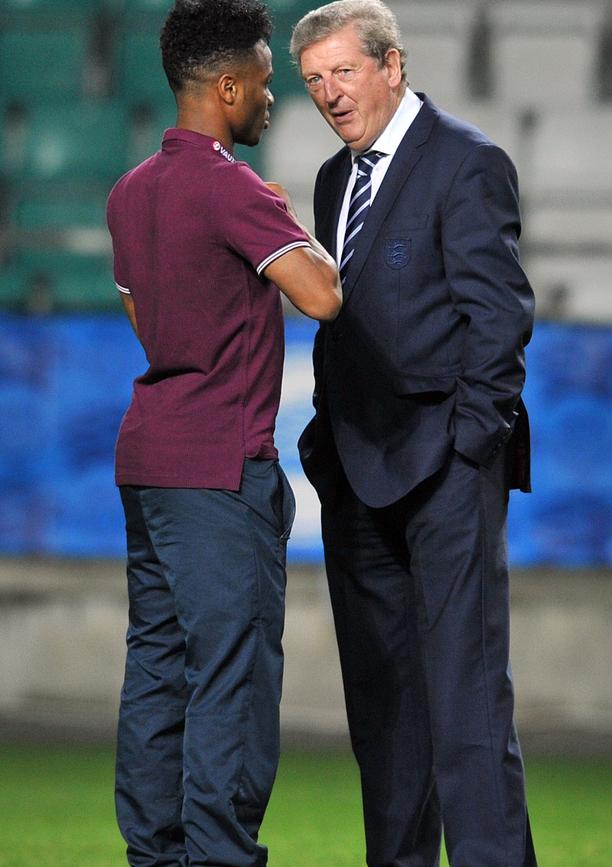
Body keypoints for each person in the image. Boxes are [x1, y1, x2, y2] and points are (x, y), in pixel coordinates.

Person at [290, 2, 537, 865]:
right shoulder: (332, 181)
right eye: (314, 79)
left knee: (466, 707)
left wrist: (468, 449)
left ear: (393, 65)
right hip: (357, 480)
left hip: (446, 475)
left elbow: (499, 322)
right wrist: (328, 448)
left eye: (344, 71)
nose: (329, 93)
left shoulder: (467, 162)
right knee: (385, 716)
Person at [106, 1, 341, 864]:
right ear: (227, 86)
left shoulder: (130, 191)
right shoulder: (233, 188)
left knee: (158, 669)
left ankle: (155, 854)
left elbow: (144, 316)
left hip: (149, 460)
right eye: (269, 84)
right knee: (232, 678)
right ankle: (219, 855)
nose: (274, 101)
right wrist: (285, 228)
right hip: (219, 470)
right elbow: (323, 296)